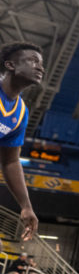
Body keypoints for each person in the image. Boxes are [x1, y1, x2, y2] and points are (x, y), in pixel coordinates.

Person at [0, 42, 44, 240]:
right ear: (10, 65)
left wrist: (26, 206)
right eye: (33, 61)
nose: (40, 67)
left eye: (41, 64)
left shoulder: (20, 112)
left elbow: (10, 161)